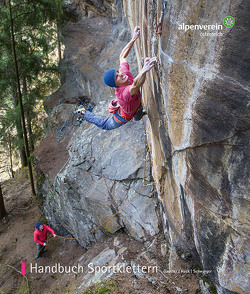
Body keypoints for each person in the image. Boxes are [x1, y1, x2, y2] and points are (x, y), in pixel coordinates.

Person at [79, 26, 157, 130]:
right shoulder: (123, 94)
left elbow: (122, 56)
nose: (120, 74)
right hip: (122, 116)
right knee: (105, 124)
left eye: (118, 72)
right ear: (116, 84)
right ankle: (85, 114)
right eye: (117, 77)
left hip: (135, 105)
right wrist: (145, 69)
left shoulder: (123, 73)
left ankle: (139, 115)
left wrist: (134, 38)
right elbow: (136, 85)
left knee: (138, 114)